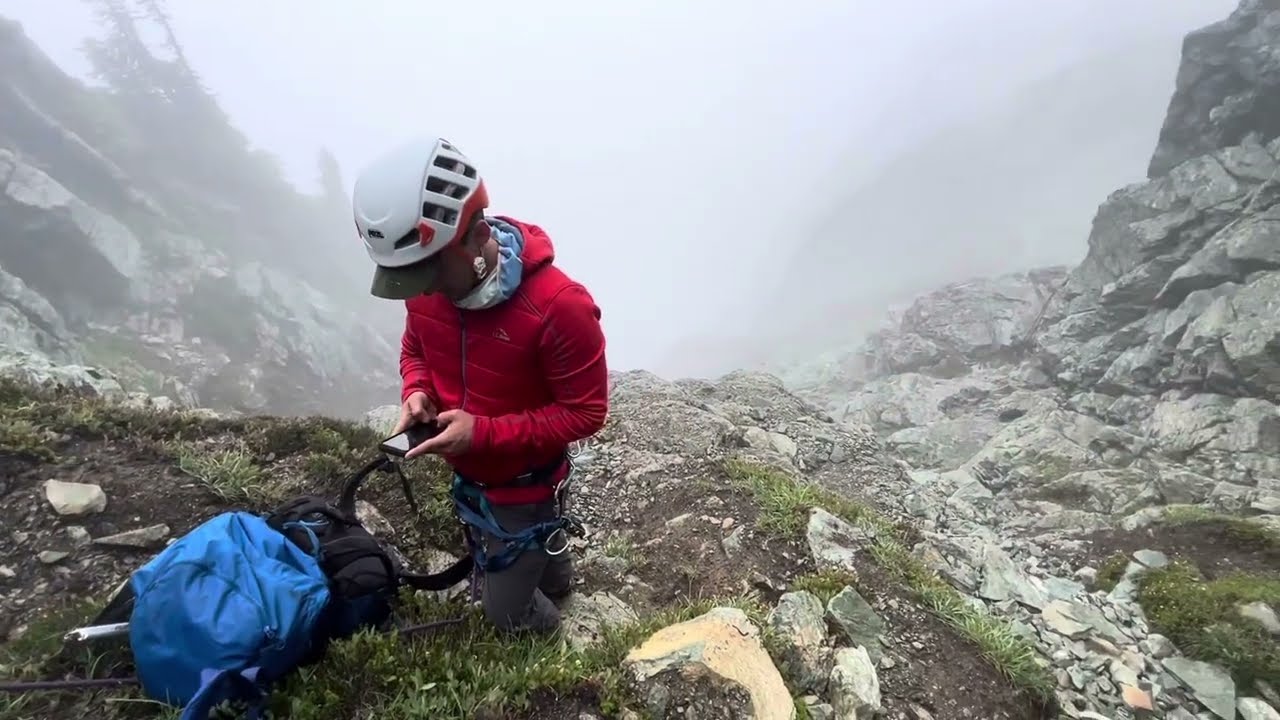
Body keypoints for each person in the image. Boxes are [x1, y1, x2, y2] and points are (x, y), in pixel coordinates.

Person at [350, 136, 609, 634]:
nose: (421, 290)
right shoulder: (428, 292)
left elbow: (586, 411)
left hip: (528, 487)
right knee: (540, 563)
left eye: (428, 273)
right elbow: (416, 351)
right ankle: (552, 579)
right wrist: (417, 389)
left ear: (476, 236)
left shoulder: (560, 307)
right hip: (473, 478)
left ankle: (554, 637)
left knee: (505, 613)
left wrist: (482, 434)